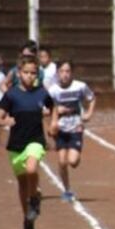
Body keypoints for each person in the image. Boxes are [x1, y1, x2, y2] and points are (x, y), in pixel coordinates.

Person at [0, 55, 54, 229]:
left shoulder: (41, 93)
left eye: (33, 73)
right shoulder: (11, 95)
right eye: (26, 72)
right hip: (16, 144)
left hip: (35, 141)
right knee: (22, 185)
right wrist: (6, 120)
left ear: (37, 74)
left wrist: (53, 121)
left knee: (32, 168)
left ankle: (35, 199)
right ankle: (28, 221)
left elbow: (53, 107)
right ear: (19, 73)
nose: (29, 76)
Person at [46, 60, 96, 202]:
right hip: (60, 129)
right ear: (57, 73)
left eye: (68, 71)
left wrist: (89, 114)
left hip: (76, 127)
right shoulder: (53, 90)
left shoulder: (80, 86)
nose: (65, 75)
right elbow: (45, 109)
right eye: (62, 71)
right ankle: (67, 190)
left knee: (73, 162)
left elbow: (91, 99)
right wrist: (54, 117)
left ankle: (74, 156)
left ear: (72, 73)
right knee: (62, 161)